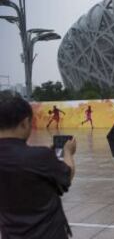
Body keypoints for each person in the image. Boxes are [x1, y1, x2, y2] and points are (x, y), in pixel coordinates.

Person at [0, 91, 77, 239]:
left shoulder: (39, 156)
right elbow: (67, 175)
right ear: (24, 122)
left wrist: (44, 155)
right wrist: (68, 152)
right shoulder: (39, 157)